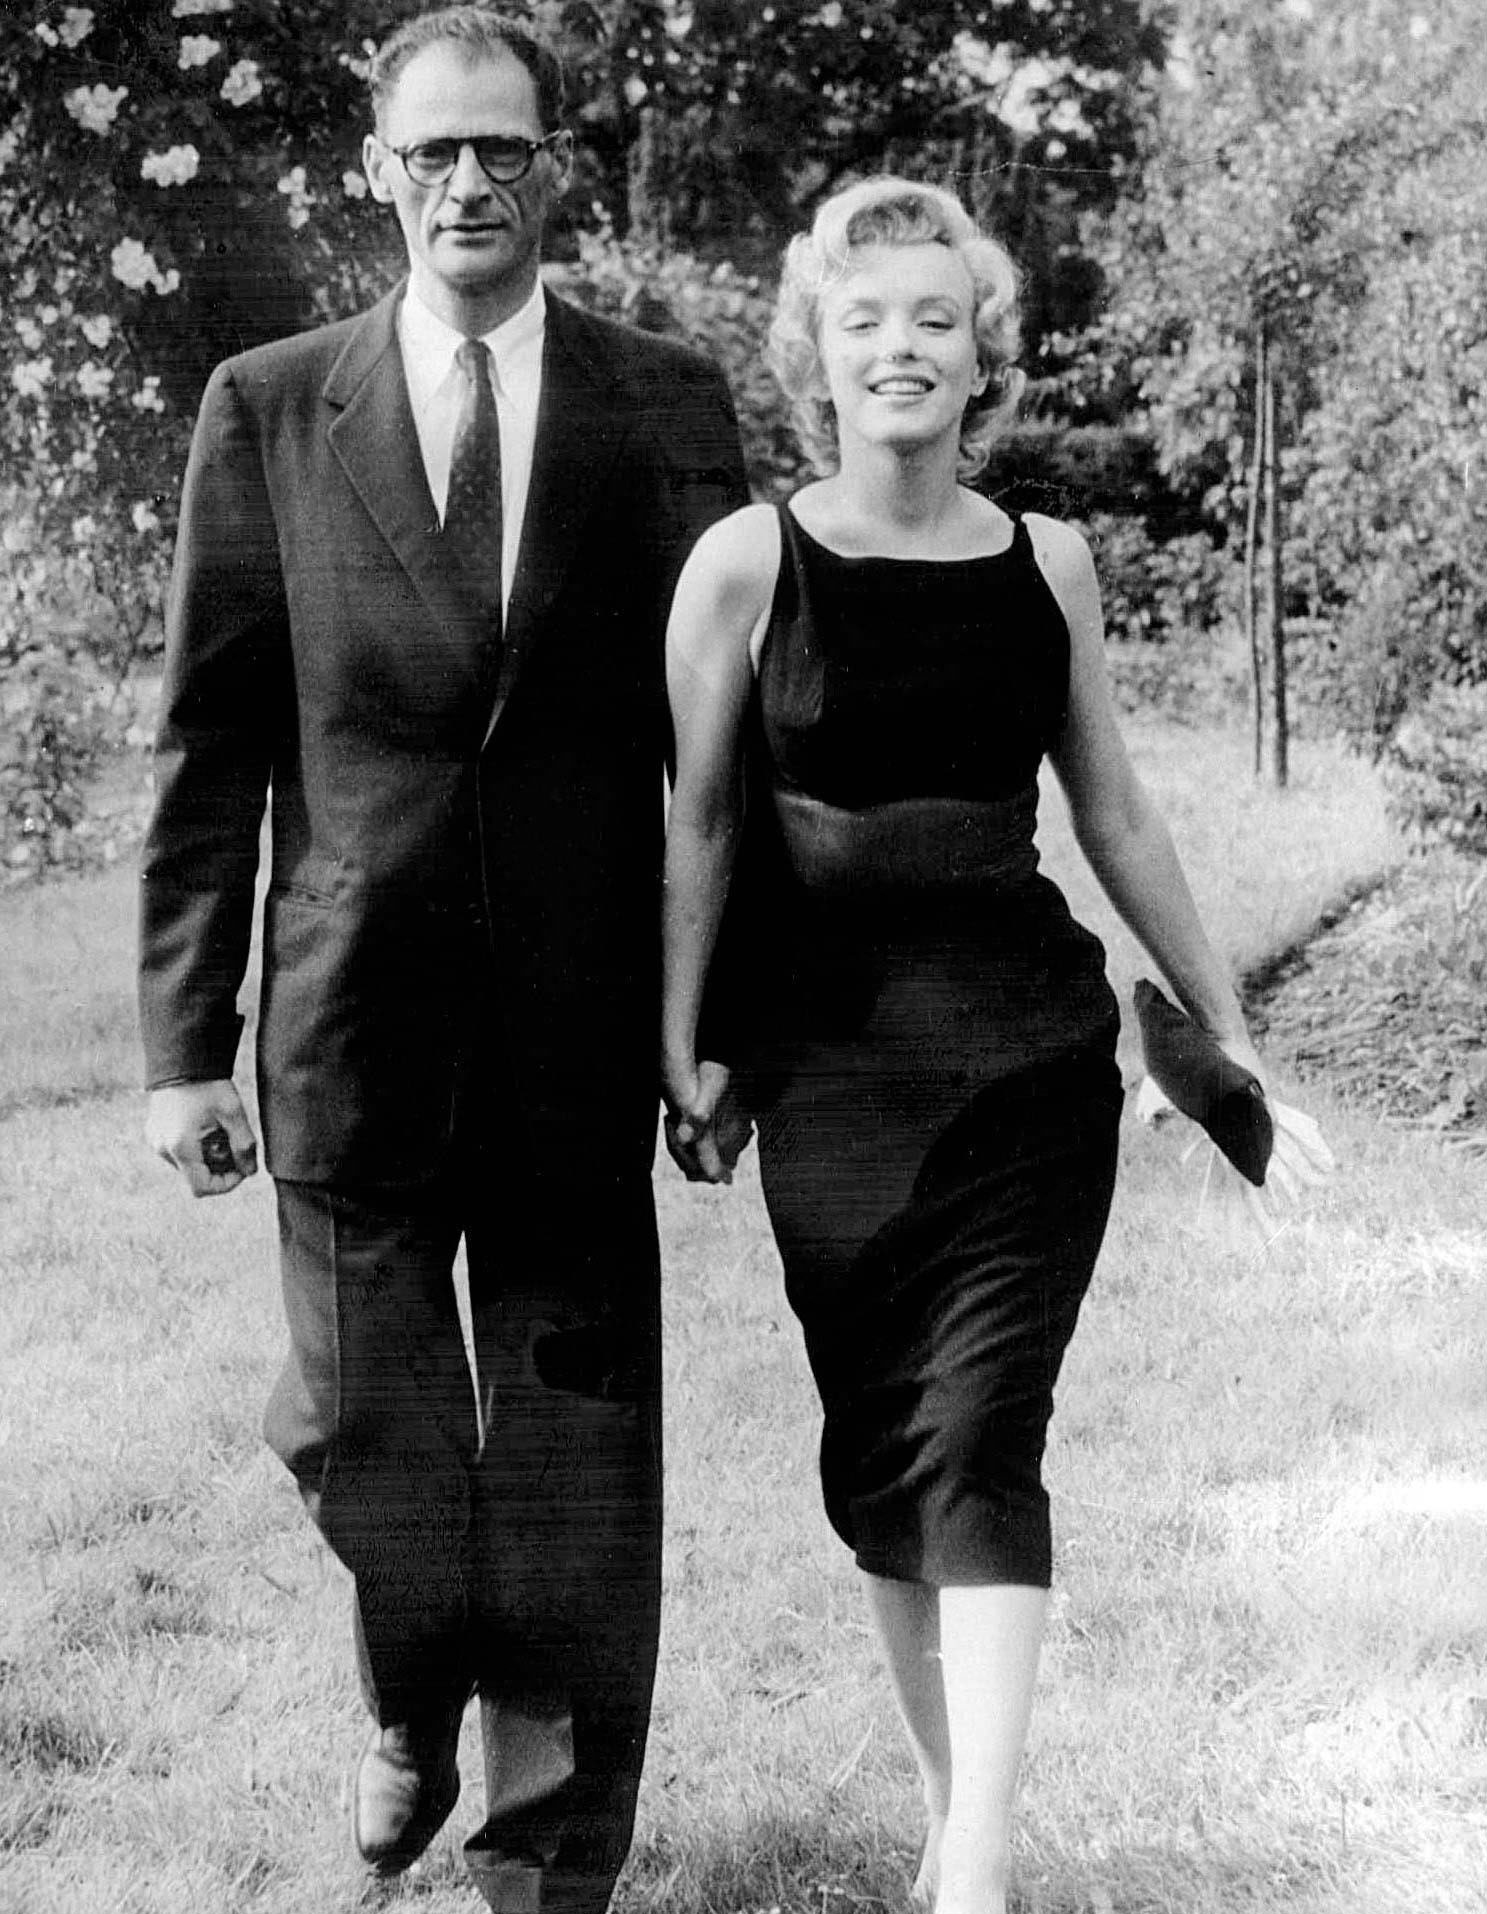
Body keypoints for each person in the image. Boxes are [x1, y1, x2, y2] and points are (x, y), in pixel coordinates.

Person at [137, 7, 746, 1906]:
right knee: (361, 1423)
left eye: (505, 148)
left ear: (554, 166)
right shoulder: (267, 405)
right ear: (377, 173)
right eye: (434, 152)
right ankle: (413, 1681)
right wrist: (185, 1038)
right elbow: (212, 738)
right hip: (349, 1022)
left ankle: (547, 1853)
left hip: (580, 1032)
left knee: (574, 1457)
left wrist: (716, 1020)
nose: (470, 182)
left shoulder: (666, 402)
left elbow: (726, 746)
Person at [660, 178, 1266, 1914]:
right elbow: (700, 821)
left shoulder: (1046, 560)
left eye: (937, 318)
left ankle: (981, 1867)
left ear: (981, 351)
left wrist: (1220, 1018)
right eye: (867, 322)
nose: (902, 348)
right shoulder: (745, 564)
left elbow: (1116, 809)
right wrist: (683, 1043)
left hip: (1027, 1058)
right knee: (884, 1450)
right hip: (828, 1068)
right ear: (820, 357)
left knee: (985, 1425)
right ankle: (953, 1814)